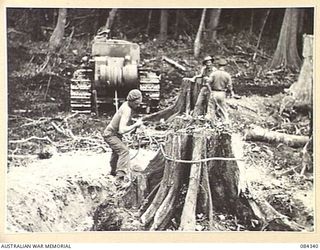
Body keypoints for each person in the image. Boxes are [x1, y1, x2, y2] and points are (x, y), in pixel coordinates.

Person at [103, 89, 144, 186]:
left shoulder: (126, 105)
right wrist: (135, 125)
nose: (138, 106)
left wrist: (134, 126)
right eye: (137, 104)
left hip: (113, 134)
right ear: (132, 101)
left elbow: (123, 124)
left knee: (117, 152)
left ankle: (113, 172)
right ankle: (120, 178)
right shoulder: (127, 109)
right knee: (124, 151)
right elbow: (122, 130)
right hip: (110, 134)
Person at [205, 58, 234, 123]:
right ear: (225, 66)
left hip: (214, 92)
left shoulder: (213, 74)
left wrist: (210, 91)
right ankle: (225, 122)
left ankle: (211, 123)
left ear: (218, 66)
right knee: (223, 109)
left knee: (211, 109)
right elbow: (229, 86)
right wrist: (231, 92)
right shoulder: (227, 75)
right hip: (222, 93)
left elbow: (207, 83)